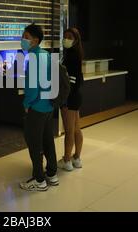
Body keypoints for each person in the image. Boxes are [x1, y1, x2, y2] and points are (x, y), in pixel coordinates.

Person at [19, 24, 58, 192]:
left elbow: (32, 88)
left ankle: (39, 180)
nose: (23, 39)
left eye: (26, 36)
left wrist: (27, 104)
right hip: (49, 106)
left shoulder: (34, 58)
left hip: (37, 107)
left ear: (35, 40)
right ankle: (52, 174)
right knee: (48, 140)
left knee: (34, 143)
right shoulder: (46, 55)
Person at [58, 27, 84, 171]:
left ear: (75, 40)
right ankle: (77, 158)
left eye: (69, 37)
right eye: (65, 36)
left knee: (69, 130)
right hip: (76, 96)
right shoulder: (77, 54)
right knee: (76, 129)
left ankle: (67, 160)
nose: (66, 39)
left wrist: (65, 97)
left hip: (70, 97)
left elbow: (71, 80)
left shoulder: (71, 56)